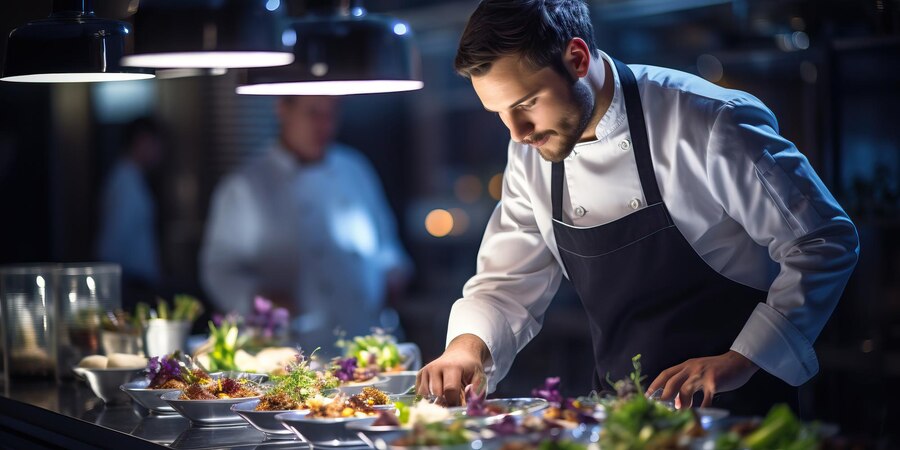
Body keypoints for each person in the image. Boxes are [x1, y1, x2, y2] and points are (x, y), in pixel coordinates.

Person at [417, 0, 859, 415]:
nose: (517, 132)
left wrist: (741, 358)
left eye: (527, 103)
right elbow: (508, 280)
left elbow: (822, 240)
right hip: (620, 417)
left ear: (577, 59)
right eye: (499, 113)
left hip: (738, 412)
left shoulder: (708, 119)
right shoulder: (533, 151)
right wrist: (465, 347)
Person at [200, 95, 412, 351]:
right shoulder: (245, 185)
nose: (324, 125)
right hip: (293, 349)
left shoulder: (355, 169)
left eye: (331, 114)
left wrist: (394, 274)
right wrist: (258, 299)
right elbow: (219, 269)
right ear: (282, 110)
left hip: (366, 340)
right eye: (313, 113)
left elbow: (387, 244)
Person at [96, 117, 165, 304]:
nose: (160, 151)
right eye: (156, 143)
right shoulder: (126, 184)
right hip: (131, 284)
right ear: (141, 141)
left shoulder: (132, 178)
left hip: (136, 282)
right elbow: (114, 242)